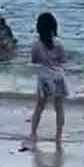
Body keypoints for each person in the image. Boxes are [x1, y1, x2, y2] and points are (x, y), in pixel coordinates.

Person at [27, 12, 68, 148]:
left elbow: (34, 60)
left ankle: (33, 133)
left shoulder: (36, 45)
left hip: (44, 77)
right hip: (58, 77)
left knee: (39, 107)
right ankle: (59, 135)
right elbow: (63, 60)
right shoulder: (59, 44)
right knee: (59, 107)